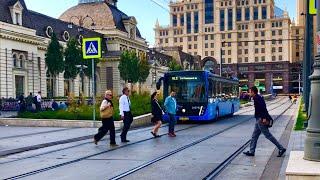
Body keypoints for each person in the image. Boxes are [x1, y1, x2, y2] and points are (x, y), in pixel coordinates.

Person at [243, 86, 286, 157]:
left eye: (249, 92)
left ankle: (281, 148)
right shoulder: (257, 97)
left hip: (261, 120)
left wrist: (264, 118)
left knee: (268, 135)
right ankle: (251, 151)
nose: (249, 93)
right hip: (258, 119)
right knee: (254, 136)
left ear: (253, 92)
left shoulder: (257, 98)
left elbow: (263, 108)